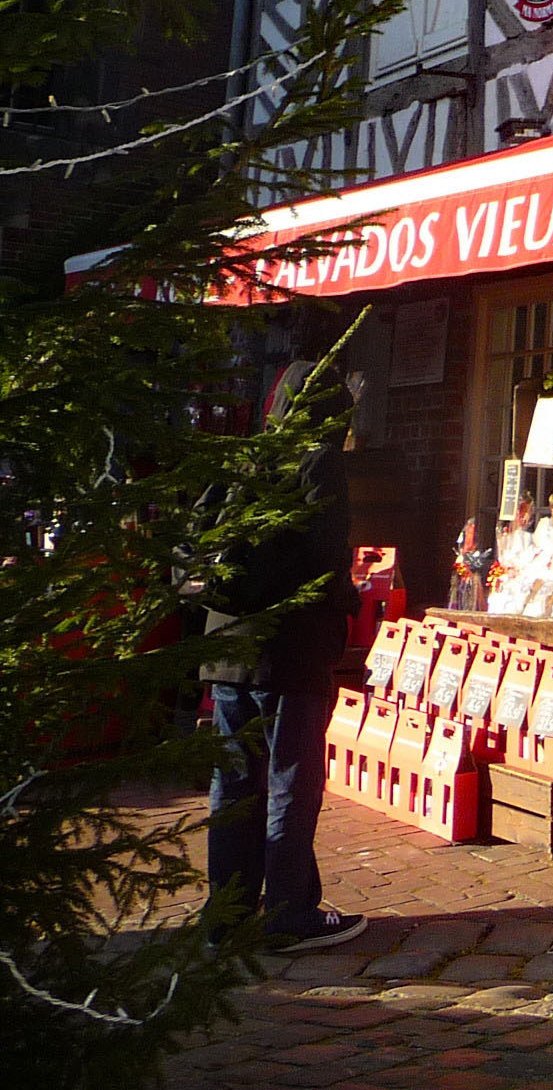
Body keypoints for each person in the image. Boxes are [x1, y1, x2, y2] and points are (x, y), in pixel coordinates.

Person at [199, 359, 367, 952]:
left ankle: (227, 912)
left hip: (227, 646)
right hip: (288, 648)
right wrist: (349, 594)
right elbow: (323, 557)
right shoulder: (319, 460)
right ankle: (289, 912)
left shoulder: (247, 456)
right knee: (292, 782)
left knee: (233, 784)